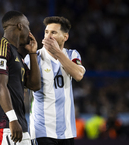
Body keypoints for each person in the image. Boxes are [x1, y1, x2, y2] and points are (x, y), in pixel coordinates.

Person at [24, 16, 86, 145]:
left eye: (53, 32)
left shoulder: (72, 54)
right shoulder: (34, 57)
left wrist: (57, 53)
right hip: (42, 129)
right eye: (46, 32)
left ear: (65, 37)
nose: (48, 36)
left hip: (67, 130)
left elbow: (78, 75)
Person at [0, 10, 41, 145]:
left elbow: (35, 85)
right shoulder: (0, 47)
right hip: (3, 124)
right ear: (20, 26)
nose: (30, 31)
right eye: (28, 26)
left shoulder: (17, 56)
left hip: (17, 124)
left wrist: (32, 54)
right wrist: (12, 119)